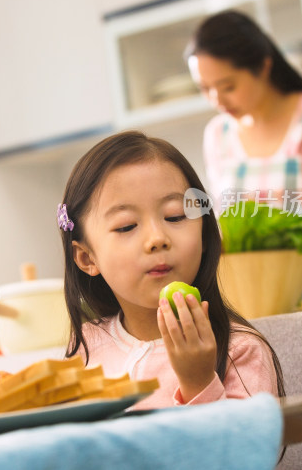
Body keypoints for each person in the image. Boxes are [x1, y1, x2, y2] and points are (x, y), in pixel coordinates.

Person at [58, 130, 284, 410]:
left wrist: (199, 382)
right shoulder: (87, 347)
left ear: (204, 234)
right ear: (86, 258)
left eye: (175, 216)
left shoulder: (240, 351)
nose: (157, 239)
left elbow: (249, 452)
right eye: (127, 226)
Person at [186, 9, 302, 308]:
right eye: (205, 89)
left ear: (263, 66)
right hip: (260, 306)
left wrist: (282, 282)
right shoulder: (217, 134)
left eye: (228, 86)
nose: (217, 100)